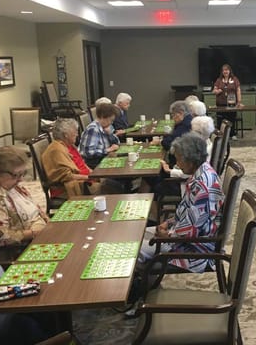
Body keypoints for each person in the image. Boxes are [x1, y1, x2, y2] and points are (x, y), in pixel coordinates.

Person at [138, 132, 225, 273]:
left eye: (179, 160)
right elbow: (188, 214)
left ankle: (138, 289)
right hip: (184, 235)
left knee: (133, 252)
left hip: (194, 249)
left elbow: (191, 230)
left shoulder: (203, 186)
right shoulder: (203, 171)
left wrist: (168, 236)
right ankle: (145, 283)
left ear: (190, 160)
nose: (177, 164)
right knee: (136, 235)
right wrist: (169, 223)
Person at [0, 147, 49, 248]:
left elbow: (36, 210)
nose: (20, 179)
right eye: (16, 175)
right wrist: (34, 233)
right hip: (19, 249)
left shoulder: (12, 186)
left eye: (23, 174)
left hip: (38, 233)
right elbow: (2, 237)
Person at [42, 118, 102, 198]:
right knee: (111, 188)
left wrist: (95, 174)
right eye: (75, 131)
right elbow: (67, 176)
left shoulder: (70, 145)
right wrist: (89, 177)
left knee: (113, 182)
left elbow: (82, 164)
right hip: (71, 187)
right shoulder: (56, 150)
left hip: (86, 181)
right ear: (66, 134)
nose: (77, 134)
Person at [79, 103, 120, 168]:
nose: (111, 123)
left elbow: (117, 143)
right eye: (111, 120)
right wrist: (108, 150)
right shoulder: (93, 129)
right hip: (94, 164)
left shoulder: (107, 126)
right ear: (102, 117)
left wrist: (110, 135)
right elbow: (89, 152)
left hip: (104, 159)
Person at [152, 100, 192, 167]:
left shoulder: (185, 125)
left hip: (178, 165)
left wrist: (161, 141)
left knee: (154, 171)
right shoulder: (187, 120)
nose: (172, 118)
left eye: (173, 115)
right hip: (181, 160)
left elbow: (168, 144)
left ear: (181, 113)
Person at [212, 63, 242, 140]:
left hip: (232, 104)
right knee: (220, 120)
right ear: (222, 72)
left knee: (231, 119)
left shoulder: (234, 79)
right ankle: (221, 135)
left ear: (229, 71)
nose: (225, 71)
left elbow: (238, 90)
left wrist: (239, 101)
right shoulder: (219, 80)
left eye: (227, 70)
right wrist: (217, 91)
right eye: (223, 70)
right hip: (220, 104)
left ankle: (232, 134)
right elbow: (214, 91)